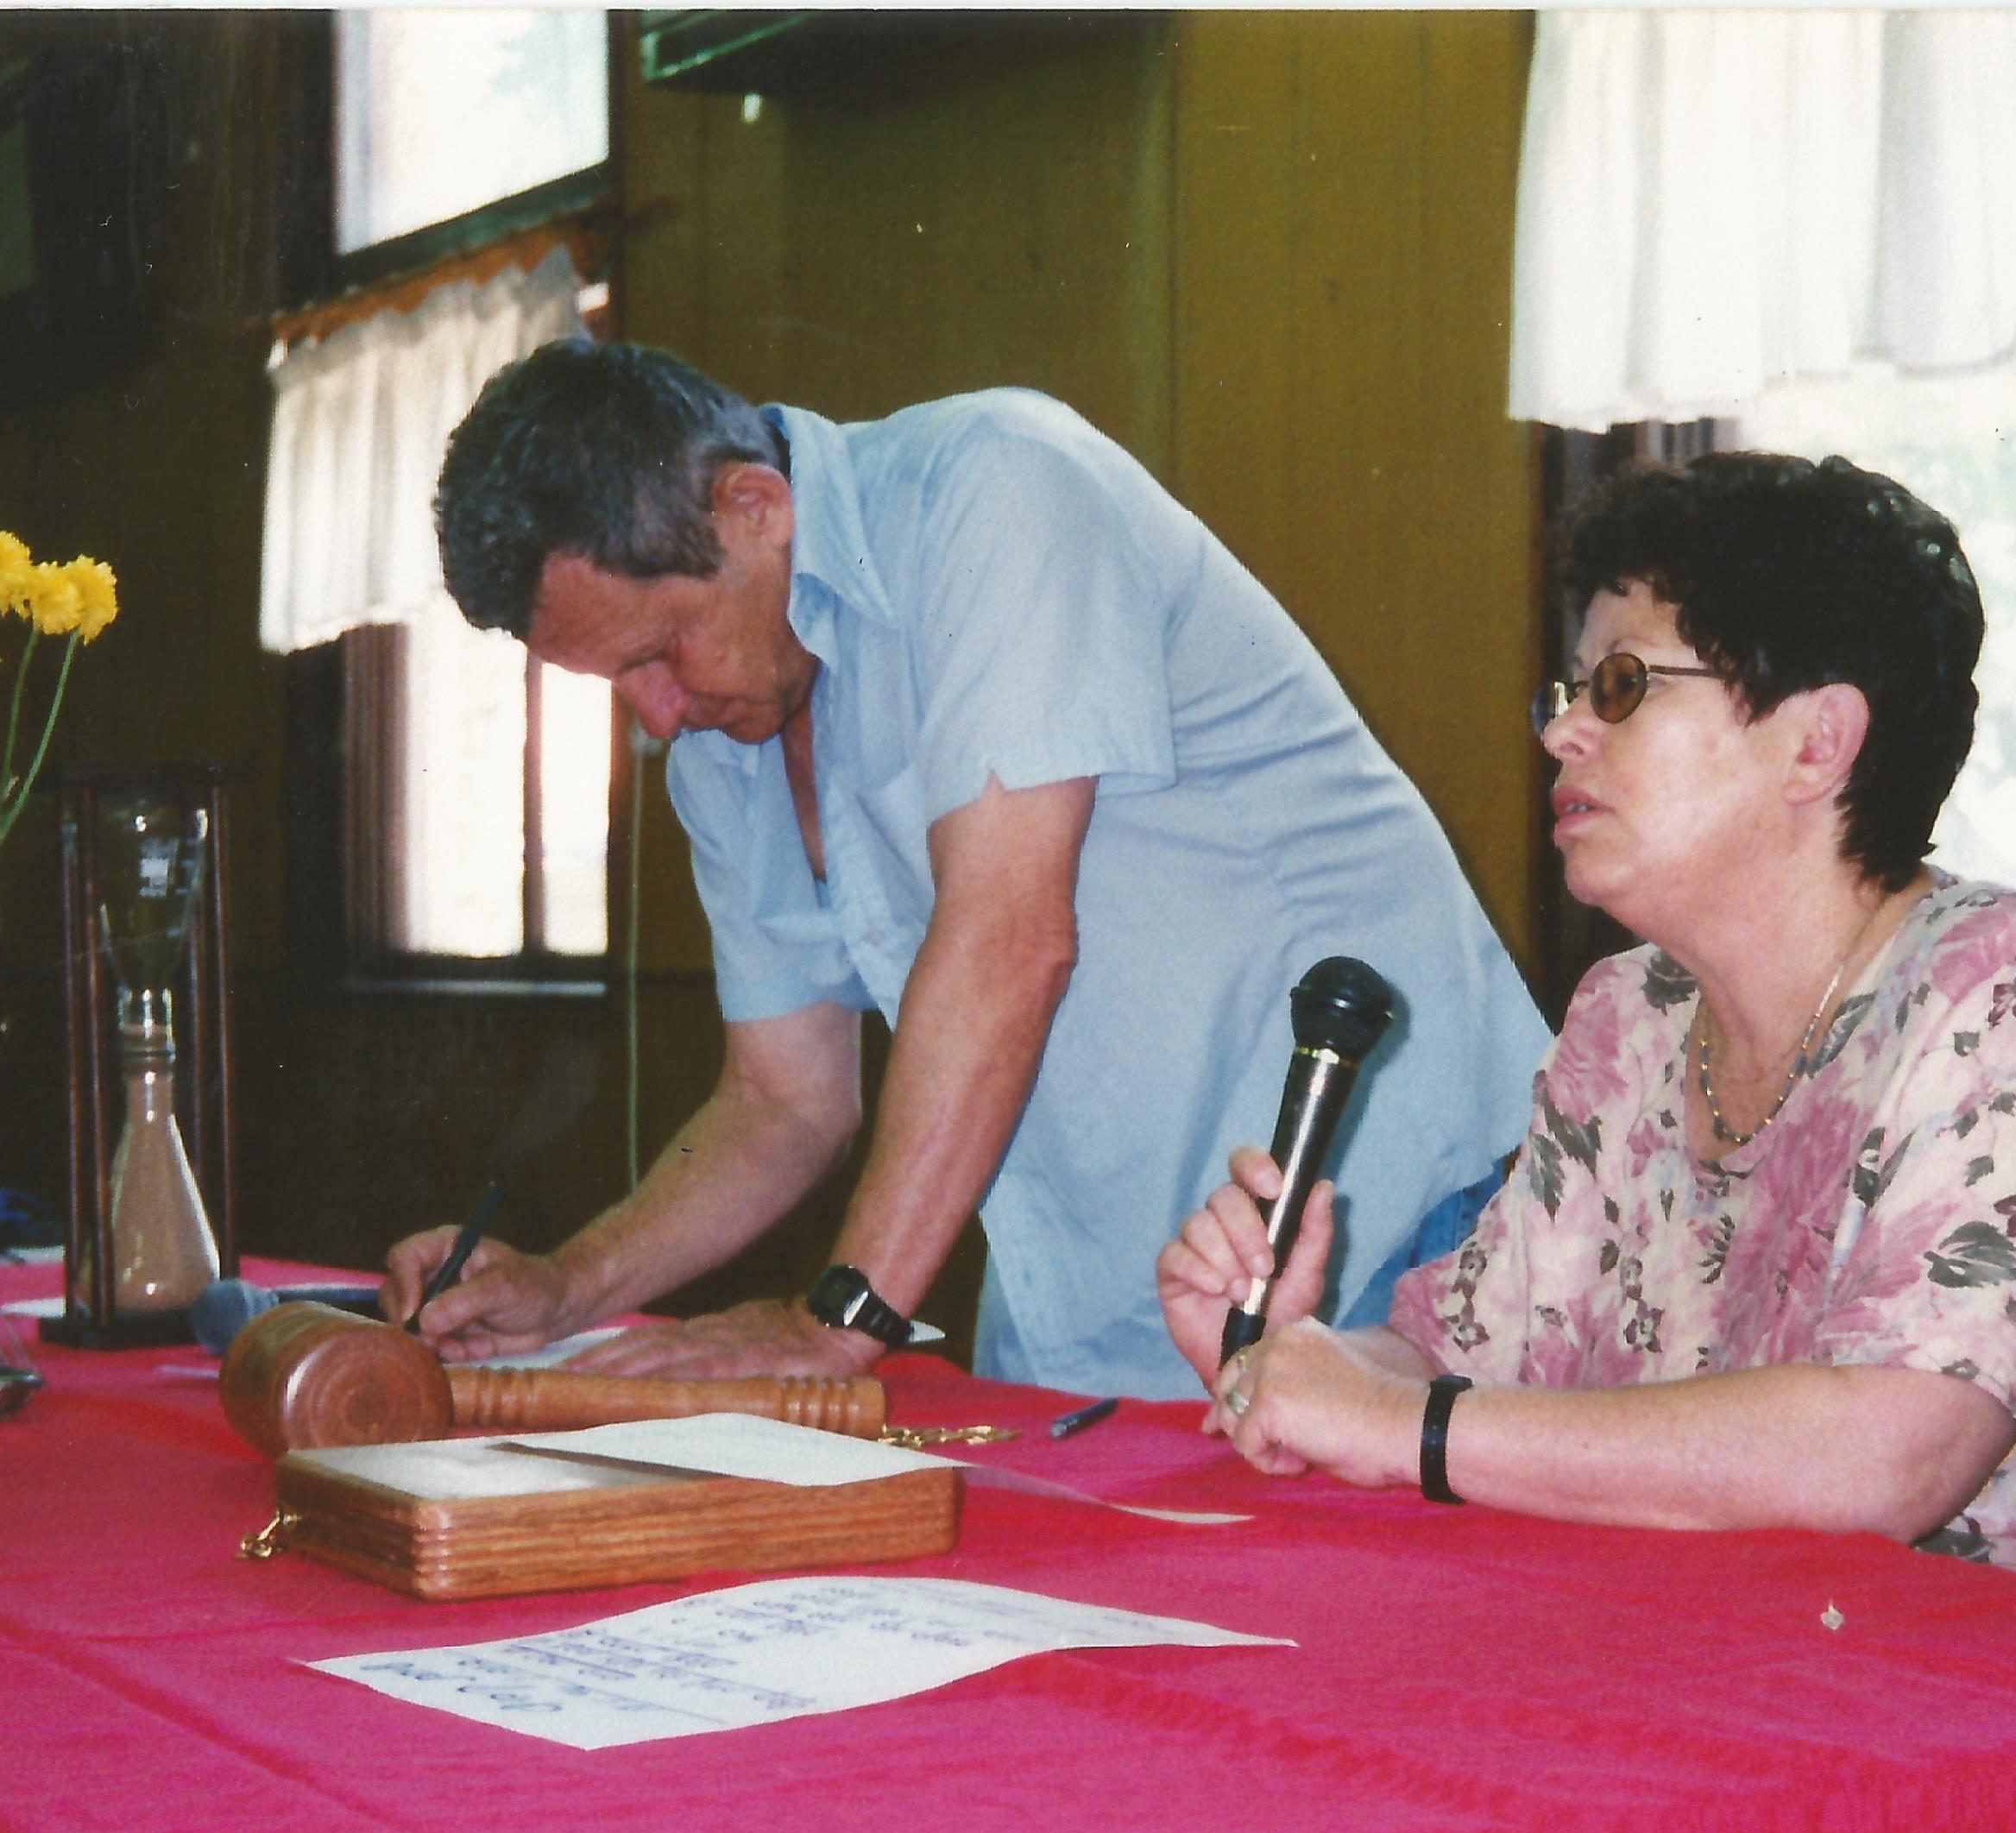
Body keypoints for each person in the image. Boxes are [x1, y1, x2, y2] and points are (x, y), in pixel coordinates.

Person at [1160, 451, 2016, 1603]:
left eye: (1624, 686)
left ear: (1817, 743)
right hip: (1732, 1691)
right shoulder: (1630, 1017)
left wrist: (1405, 1424)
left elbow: (1891, 1453)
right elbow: (1452, 1369)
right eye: (1571, 691)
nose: (1564, 733)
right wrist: (1292, 1365)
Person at [381, 340, 1552, 1399]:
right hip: (1124, 1308)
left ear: (755, 505)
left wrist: (841, 1317)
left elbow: (1009, 940)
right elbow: (781, 1100)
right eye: (616, 684)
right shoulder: (725, 725)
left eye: (661, 650)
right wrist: (569, 1285)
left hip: (1402, 1220)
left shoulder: (997, 489)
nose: (658, 712)